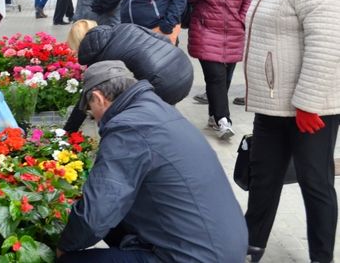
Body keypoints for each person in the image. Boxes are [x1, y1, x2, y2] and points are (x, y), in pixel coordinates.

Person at [56, 60, 248, 262]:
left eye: (89, 111)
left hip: (195, 257)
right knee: (112, 223)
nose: (93, 117)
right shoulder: (156, 109)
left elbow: (96, 214)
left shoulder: (128, 128)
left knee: (69, 260)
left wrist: (63, 246)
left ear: (98, 98)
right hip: (222, 246)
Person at [243, 0, 340, 263]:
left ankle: (320, 256)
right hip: (273, 102)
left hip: (310, 108)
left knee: (315, 184)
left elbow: (327, 42)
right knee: (263, 177)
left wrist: (308, 103)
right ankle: (252, 245)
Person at [185, 0, 257, 140]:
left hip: (234, 29)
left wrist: (241, 18)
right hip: (206, 29)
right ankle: (224, 120)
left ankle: (213, 116)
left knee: (225, 78)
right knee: (215, 77)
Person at [63, 19, 193, 132]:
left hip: (163, 82)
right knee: (161, 113)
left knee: (131, 116)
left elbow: (87, 95)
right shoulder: (123, 27)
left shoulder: (100, 59)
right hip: (183, 67)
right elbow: (162, 39)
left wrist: (69, 130)